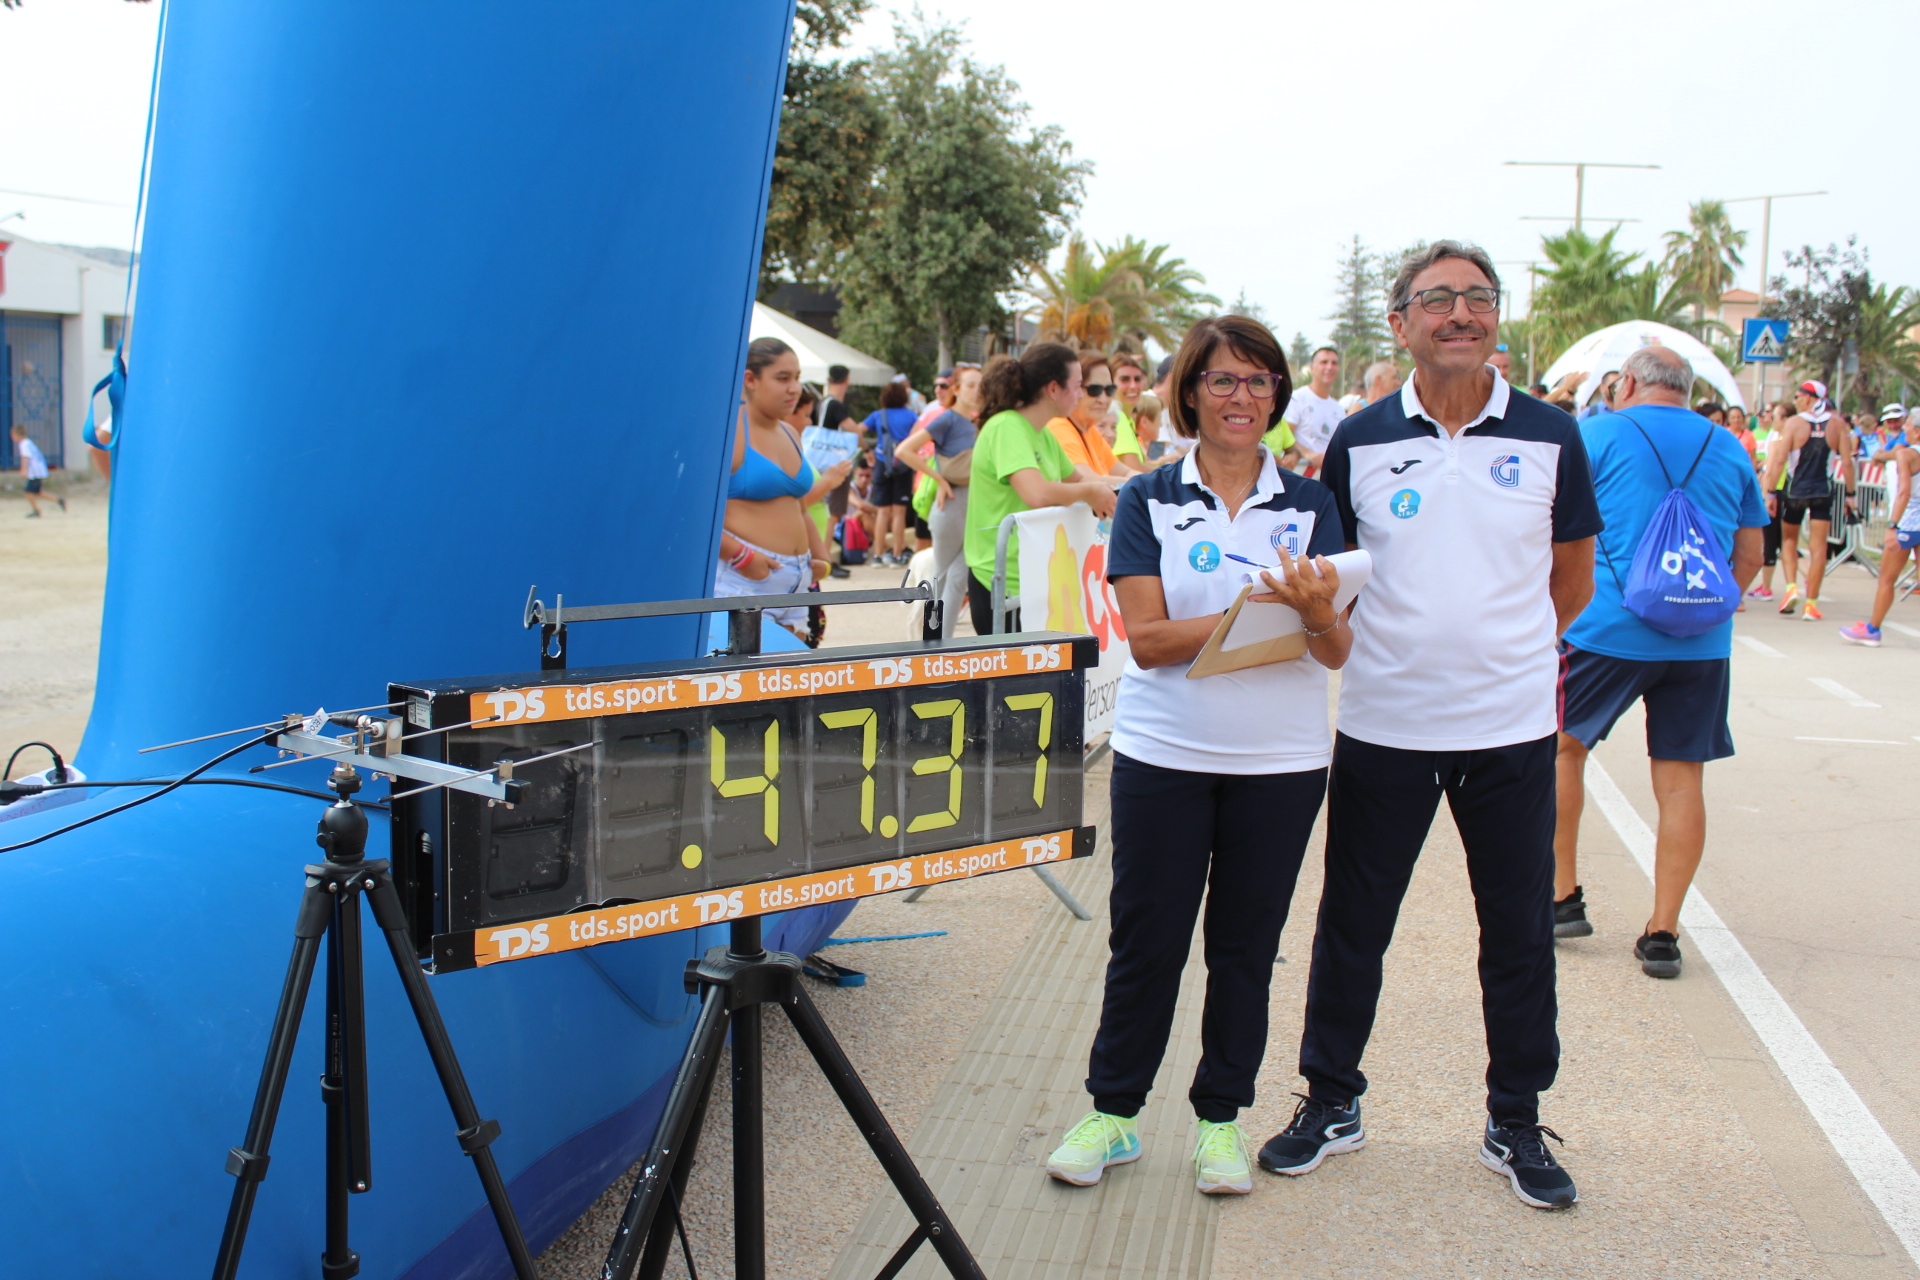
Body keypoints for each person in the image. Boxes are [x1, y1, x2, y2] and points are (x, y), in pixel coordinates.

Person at [1262, 241, 1600, 1211]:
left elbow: (1572, 578)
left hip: (1511, 729)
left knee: (1518, 930)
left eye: (1478, 296)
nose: (1461, 312)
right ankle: (1332, 1099)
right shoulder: (1359, 438)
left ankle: (1516, 1116)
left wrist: (1499, 651)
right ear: (1401, 320)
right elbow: (1335, 581)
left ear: (1496, 315)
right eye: (1439, 297)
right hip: (1386, 723)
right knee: (1353, 924)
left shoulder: (1552, 433)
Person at [1044, 315, 1349, 1197]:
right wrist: (1270, 615)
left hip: (1281, 762)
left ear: (1278, 396)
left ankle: (1221, 1121)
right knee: (1147, 942)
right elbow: (1146, 640)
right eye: (1222, 380)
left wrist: (1313, 616)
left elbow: (1335, 649)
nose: (1240, 397)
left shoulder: (1312, 505)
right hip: (1165, 754)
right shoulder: (1148, 498)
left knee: (1246, 950)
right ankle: (1115, 1113)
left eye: (1258, 381)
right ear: (1190, 391)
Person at [1550, 347, 1767, 976]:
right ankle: (1663, 932)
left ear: (1626, 383)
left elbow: (1555, 532)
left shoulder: (1597, 434)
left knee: (1563, 749)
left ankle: (1562, 898)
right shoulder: (1728, 445)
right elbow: (1751, 555)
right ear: (1686, 389)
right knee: (1680, 778)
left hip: (1606, 629)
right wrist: (1705, 611)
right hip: (1701, 640)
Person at [964, 344, 1117, 635]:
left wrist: (1138, 485)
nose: (1081, 394)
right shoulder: (1006, 427)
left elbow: (1080, 479)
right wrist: (1091, 492)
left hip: (1035, 579)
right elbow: (1036, 493)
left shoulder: (1043, 433)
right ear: (1054, 389)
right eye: (1078, 386)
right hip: (1002, 583)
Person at [719, 338, 831, 637]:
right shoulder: (728, 431)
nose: (794, 388)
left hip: (797, 582)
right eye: (782, 378)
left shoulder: (790, 432)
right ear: (750, 379)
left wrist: (822, 560)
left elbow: (800, 507)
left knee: (792, 667)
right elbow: (692, 514)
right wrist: (743, 558)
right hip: (744, 582)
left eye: (797, 378)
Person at [894, 364, 982, 638]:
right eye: (970, 385)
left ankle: (943, 642)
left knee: (958, 578)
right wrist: (940, 479)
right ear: (957, 389)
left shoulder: (978, 422)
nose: (976, 391)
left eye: (980, 385)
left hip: (973, 505)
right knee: (942, 576)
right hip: (952, 503)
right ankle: (932, 643)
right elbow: (904, 450)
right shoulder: (948, 419)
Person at [1763, 380, 1857, 621]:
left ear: (1808, 398)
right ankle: (1811, 604)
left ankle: (1792, 587)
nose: (1795, 401)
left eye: (1798, 396)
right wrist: (1851, 495)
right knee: (1819, 547)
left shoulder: (1794, 423)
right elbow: (1847, 463)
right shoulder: (1837, 424)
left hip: (1795, 491)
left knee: (1788, 541)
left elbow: (1780, 460)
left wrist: (1771, 493)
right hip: (1822, 492)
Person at [1838, 423, 1920, 646]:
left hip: (1908, 522)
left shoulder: (1906, 455)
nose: (1904, 430)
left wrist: (1892, 526)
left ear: (1917, 431)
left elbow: (1904, 492)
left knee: (1886, 580)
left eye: (1908, 426)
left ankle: (1873, 629)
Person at [1049, 350, 1141, 480]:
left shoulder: (1091, 431)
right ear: (1074, 389)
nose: (1103, 399)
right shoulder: (1059, 427)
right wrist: (1142, 484)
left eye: (1109, 390)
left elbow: (1125, 472)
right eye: (1094, 390)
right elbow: (1086, 481)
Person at [864, 380, 923, 567]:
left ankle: (878, 555)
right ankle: (897, 555)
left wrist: (867, 450)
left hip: (882, 463)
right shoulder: (912, 416)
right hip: (904, 464)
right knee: (899, 512)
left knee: (882, 511)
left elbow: (859, 429)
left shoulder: (878, 415)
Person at [1281, 347, 1344, 474]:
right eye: (1324, 362)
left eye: (1334, 363)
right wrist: (1308, 454)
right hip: (1298, 475)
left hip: (1325, 478)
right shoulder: (1297, 399)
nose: (1329, 367)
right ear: (1312, 368)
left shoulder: (1339, 409)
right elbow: (1283, 436)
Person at [1109, 351, 1155, 470]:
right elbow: (1134, 468)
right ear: (1110, 383)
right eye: (1125, 379)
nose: (1133, 386)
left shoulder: (1126, 418)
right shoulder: (1117, 418)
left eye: (1138, 379)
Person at [11, 425, 61, 517]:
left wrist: (23, 470)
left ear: (17, 435)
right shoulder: (28, 442)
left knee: (28, 492)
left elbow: (25, 457)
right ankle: (58, 500)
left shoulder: (24, 444)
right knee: (37, 492)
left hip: (35, 472)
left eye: (13, 435)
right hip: (39, 471)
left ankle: (36, 511)